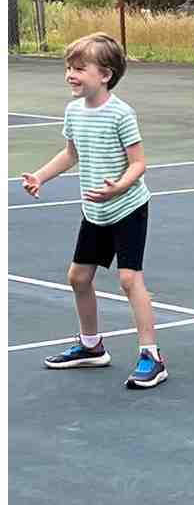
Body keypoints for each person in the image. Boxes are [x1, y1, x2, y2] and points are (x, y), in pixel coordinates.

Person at [21, 32, 167, 389]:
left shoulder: (121, 114)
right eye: (68, 68)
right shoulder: (73, 112)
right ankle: (91, 347)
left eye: (79, 68)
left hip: (128, 207)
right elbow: (71, 154)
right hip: (94, 210)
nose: (71, 74)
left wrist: (119, 186)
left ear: (105, 75)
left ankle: (152, 357)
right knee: (78, 277)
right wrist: (41, 175)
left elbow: (139, 164)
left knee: (129, 279)